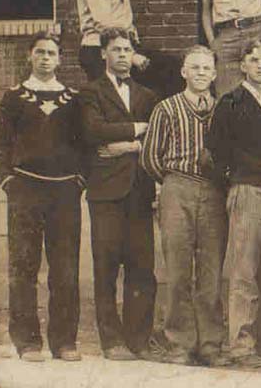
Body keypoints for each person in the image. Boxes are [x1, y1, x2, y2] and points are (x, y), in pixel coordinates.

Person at [0, 32, 85, 363]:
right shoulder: (14, 97)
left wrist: (78, 181)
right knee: (24, 266)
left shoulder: (73, 99)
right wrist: (9, 183)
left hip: (64, 193)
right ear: (30, 57)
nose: (46, 58)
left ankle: (64, 341)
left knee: (65, 268)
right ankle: (27, 341)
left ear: (60, 59)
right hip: (26, 191)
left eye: (52, 53)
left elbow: (83, 146)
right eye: (40, 52)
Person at [206, 39, 261, 367]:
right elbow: (215, 150)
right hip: (247, 191)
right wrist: (234, 180)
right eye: (253, 60)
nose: (260, 65)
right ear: (242, 65)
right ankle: (241, 346)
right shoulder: (231, 102)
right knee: (244, 271)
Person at [138, 46, 228, 367]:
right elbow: (149, 157)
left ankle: (210, 344)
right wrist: (171, 182)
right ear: (184, 72)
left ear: (215, 74)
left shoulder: (222, 110)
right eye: (195, 67)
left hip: (215, 191)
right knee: (177, 269)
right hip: (177, 186)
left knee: (211, 270)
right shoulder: (166, 108)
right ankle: (179, 342)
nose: (201, 73)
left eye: (207, 68)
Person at [78, 28, 158, 361]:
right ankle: (111, 341)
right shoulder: (90, 93)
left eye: (127, 50)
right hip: (106, 193)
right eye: (116, 49)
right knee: (107, 266)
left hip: (140, 191)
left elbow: (156, 135)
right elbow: (91, 131)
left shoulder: (148, 96)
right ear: (103, 54)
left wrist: (125, 144)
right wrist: (136, 130)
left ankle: (138, 339)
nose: (123, 55)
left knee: (142, 267)